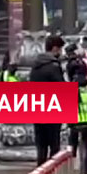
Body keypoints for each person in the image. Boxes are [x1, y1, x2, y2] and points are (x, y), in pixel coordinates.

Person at [29, 35, 67, 166]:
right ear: (55, 48)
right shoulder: (53, 67)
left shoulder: (36, 66)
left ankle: (40, 169)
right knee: (54, 144)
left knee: (41, 145)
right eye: (60, 49)